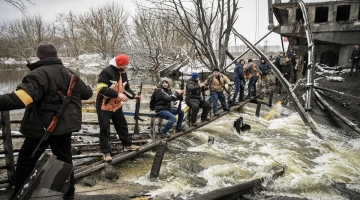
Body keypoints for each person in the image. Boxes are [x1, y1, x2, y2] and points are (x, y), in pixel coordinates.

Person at [0, 42, 93, 200]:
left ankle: (19, 194)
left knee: (27, 159)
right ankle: (69, 195)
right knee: (65, 159)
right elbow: (87, 93)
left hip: (41, 128)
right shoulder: (69, 72)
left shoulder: (38, 74)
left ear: (39, 56)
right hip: (64, 128)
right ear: (56, 56)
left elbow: (21, 99)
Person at [96, 54, 141, 162]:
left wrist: (134, 95)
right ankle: (105, 152)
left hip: (116, 105)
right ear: (120, 65)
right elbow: (101, 89)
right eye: (126, 64)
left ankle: (127, 145)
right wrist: (117, 95)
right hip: (104, 105)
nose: (127, 66)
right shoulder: (106, 72)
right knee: (105, 129)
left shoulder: (123, 73)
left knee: (122, 125)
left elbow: (125, 88)